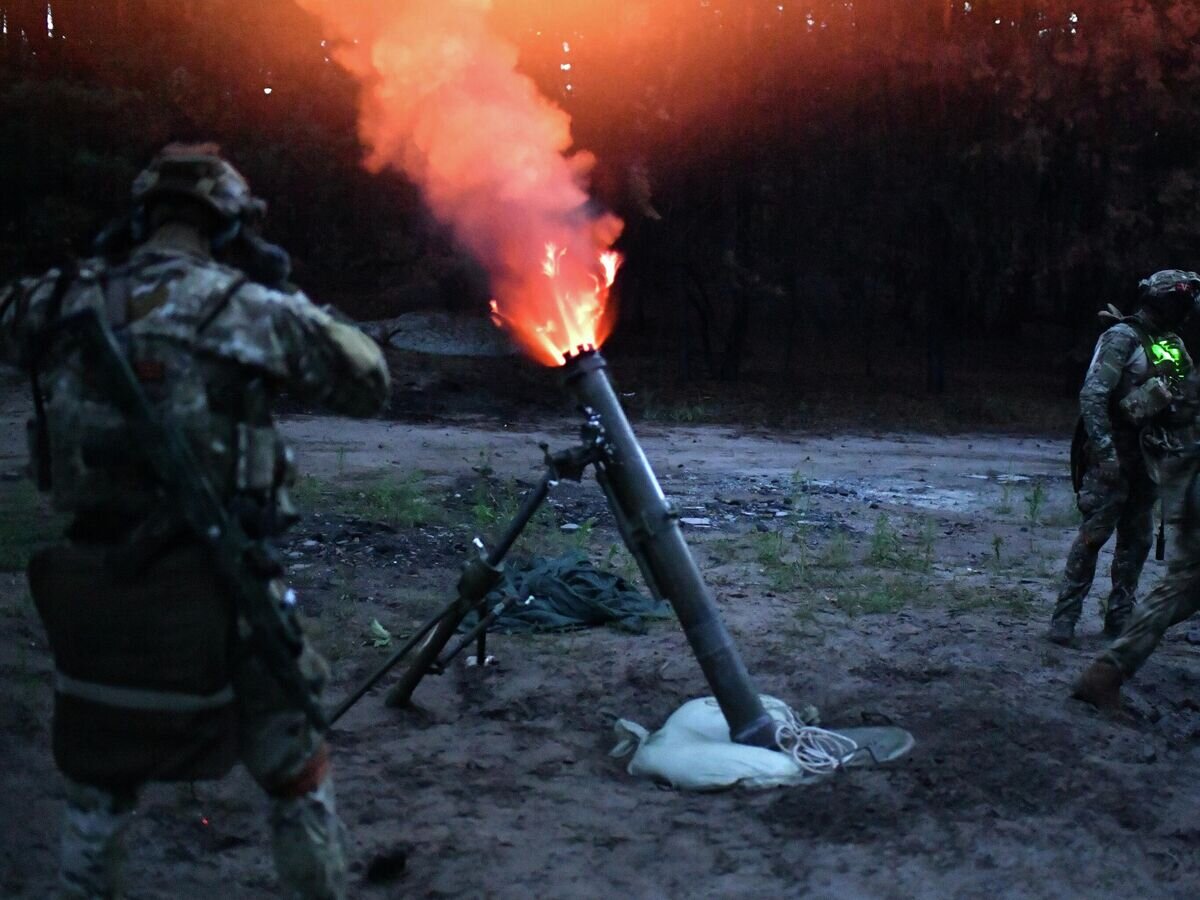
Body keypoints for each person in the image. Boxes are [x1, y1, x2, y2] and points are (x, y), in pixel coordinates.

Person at [0, 143, 390, 899]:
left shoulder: (60, 300)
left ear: (139, 216)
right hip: (224, 592)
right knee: (296, 769)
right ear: (230, 228)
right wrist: (292, 298)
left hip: (98, 590)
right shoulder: (245, 310)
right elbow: (367, 381)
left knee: (97, 784)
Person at [1047, 270, 1199, 646]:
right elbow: (1093, 396)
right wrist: (1105, 453)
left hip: (1149, 457)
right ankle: (1064, 619)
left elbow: (1184, 400)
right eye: (1180, 301)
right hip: (1114, 451)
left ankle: (1119, 619)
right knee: (1094, 536)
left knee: (1138, 541)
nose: (1186, 309)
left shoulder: (1173, 345)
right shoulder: (1122, 337)